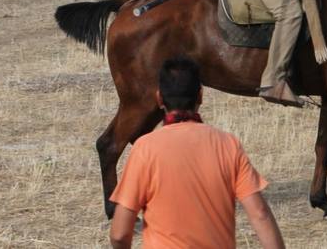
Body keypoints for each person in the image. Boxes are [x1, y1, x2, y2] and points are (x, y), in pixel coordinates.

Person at [109, 56, 283, 249]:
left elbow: (119, 234)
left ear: (159, 98)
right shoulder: (228, 145)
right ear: (200, 96)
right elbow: (260, 214)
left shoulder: (145, 149)